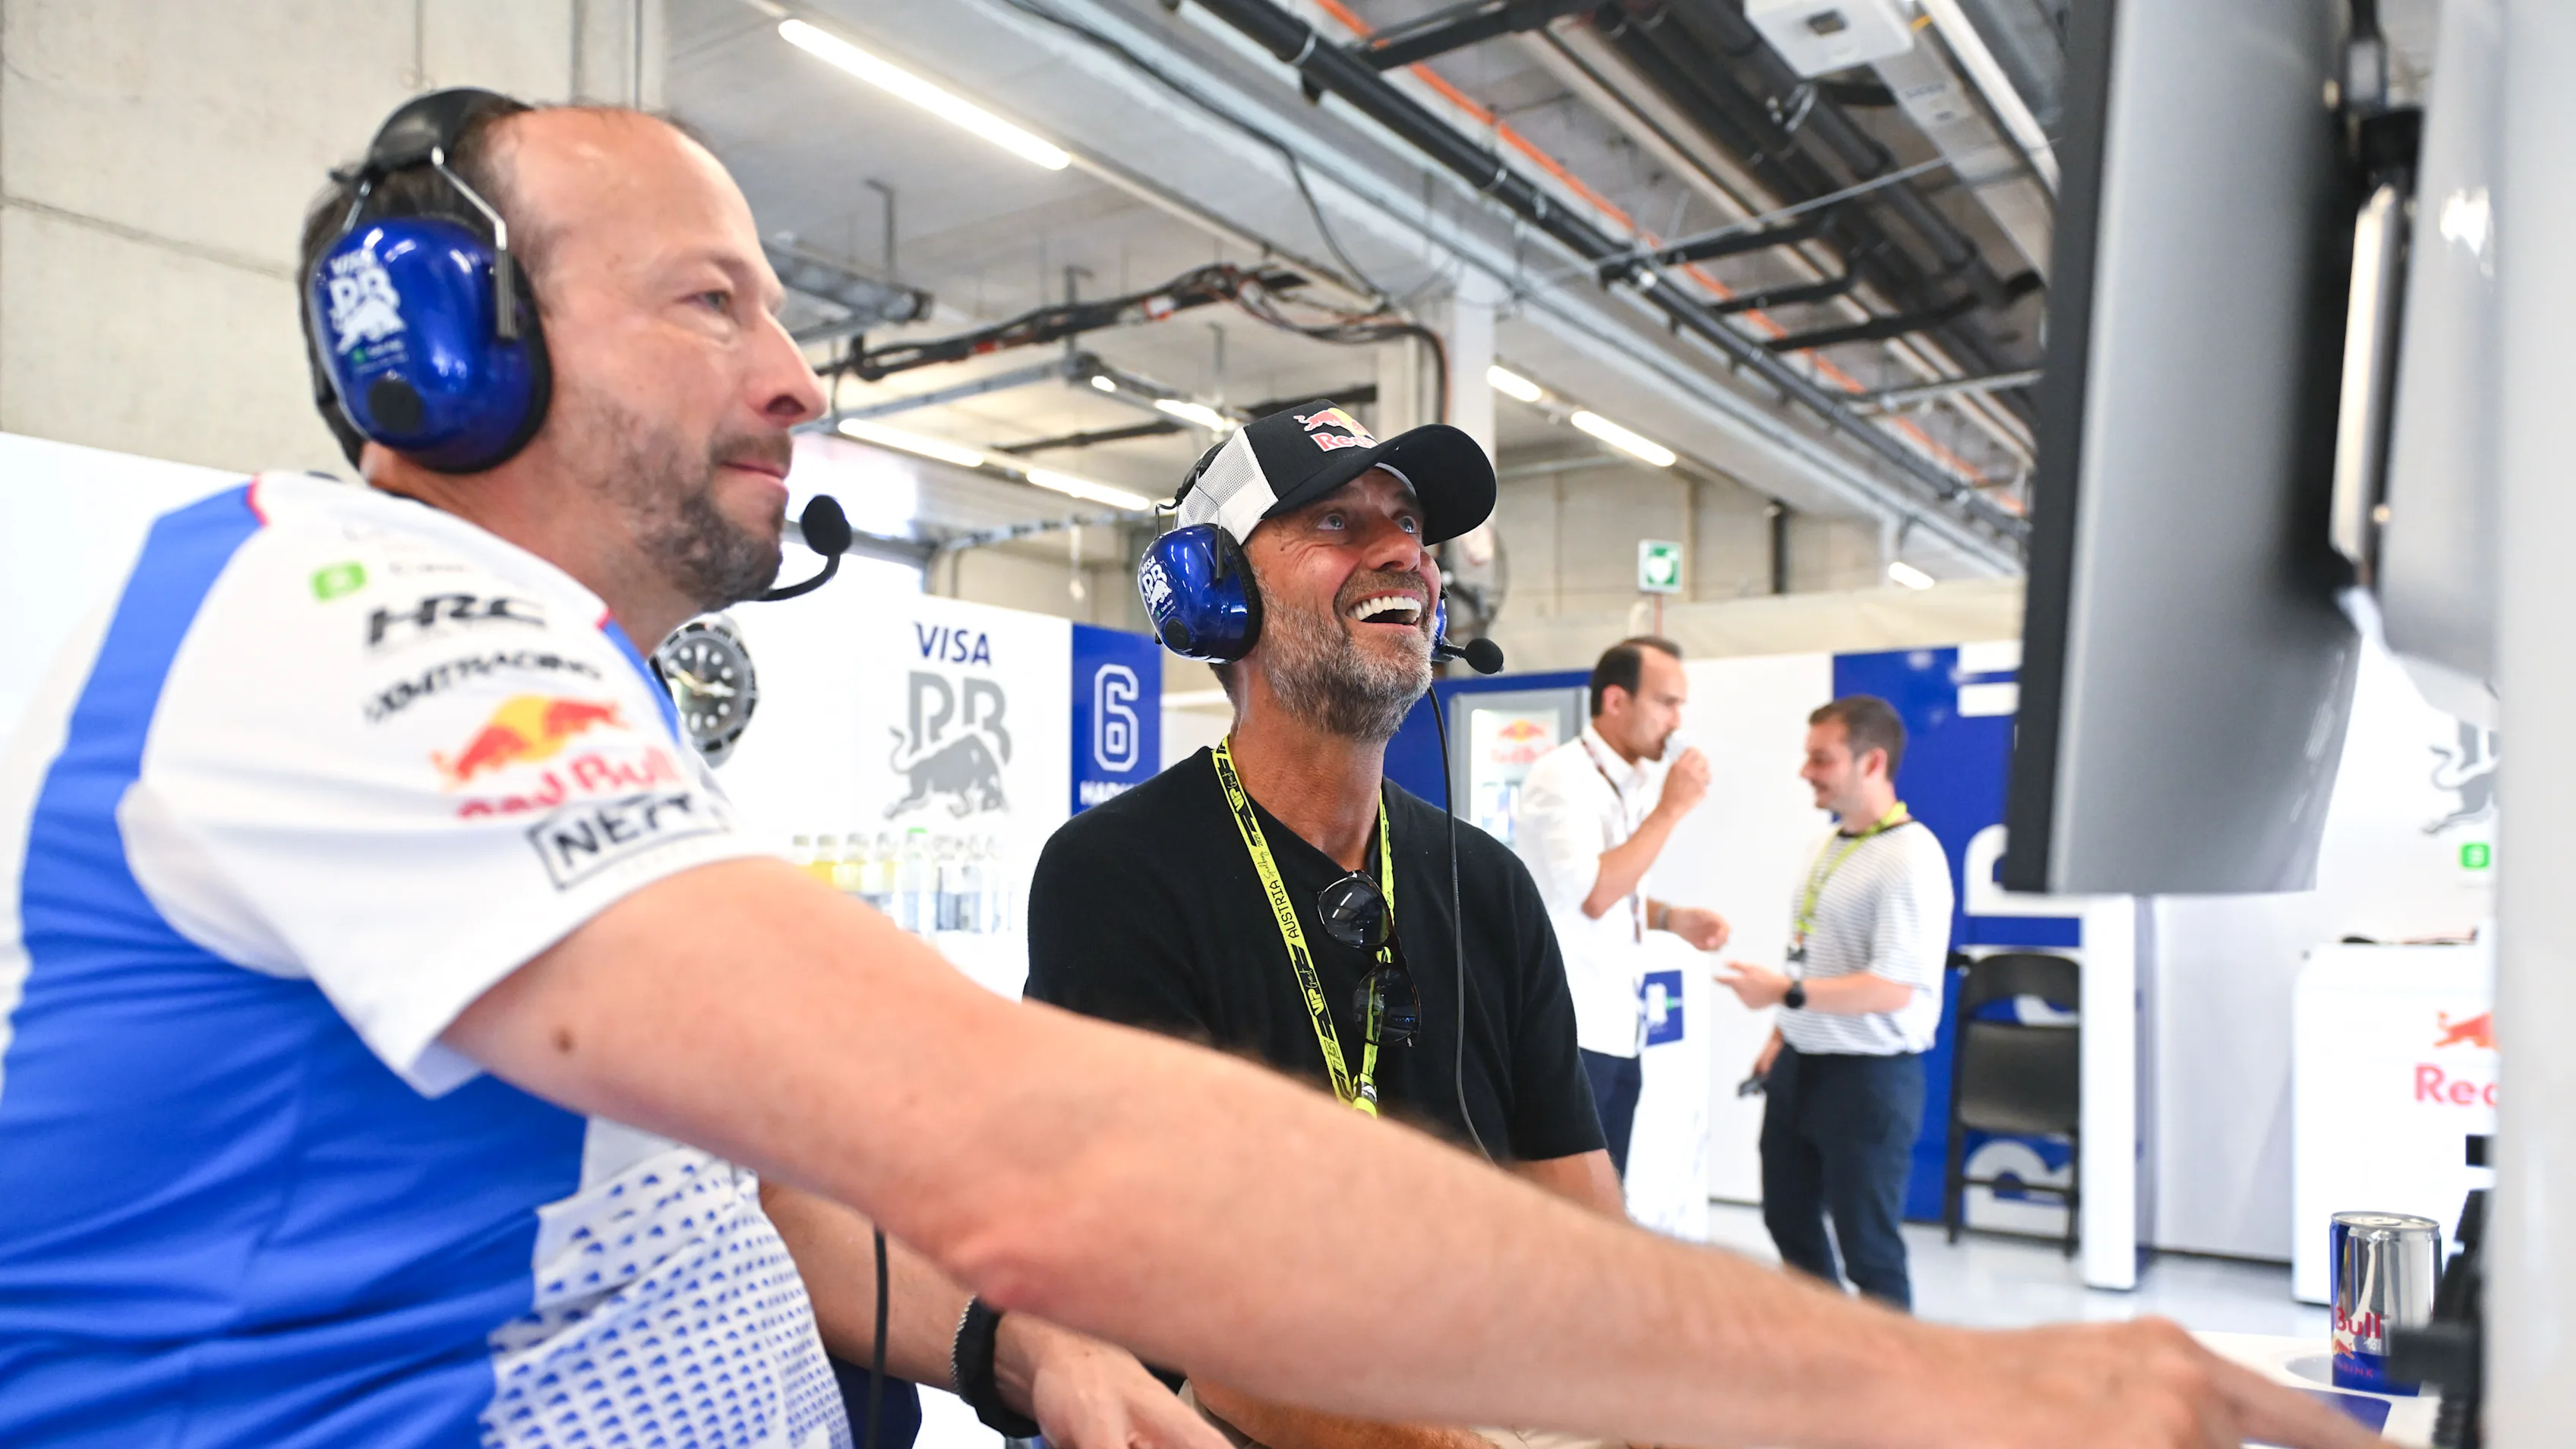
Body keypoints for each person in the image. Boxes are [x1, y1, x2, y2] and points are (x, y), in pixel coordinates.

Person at [0, 87, 2379, 1449]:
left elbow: (743, 1193)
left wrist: (1005, 1334)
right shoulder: (352, 626)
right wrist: (1938, 1396)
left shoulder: (566, 695)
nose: (799, 374)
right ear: (434, 343)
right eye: (710, 298)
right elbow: (1052, 1155)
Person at [1024, 403, 1624, 1449]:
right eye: (1337, 523)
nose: (1404, 554)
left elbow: (1585, 1228)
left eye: (1411, 526)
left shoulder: (1487, 886)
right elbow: (1188, 1314)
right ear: (1215, 595)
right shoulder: (1116, 876)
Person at [1718, 696, 1954, 1312]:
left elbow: (1893, 988)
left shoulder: (1911, 857)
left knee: (1869, 1248)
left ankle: (1891, 1366)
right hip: (1801, 1065)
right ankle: (1825, 1345)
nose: (1806, 772)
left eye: (1822, 759)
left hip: (1869, 1079)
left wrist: (1785, 993)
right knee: (1788, 1220)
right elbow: (1809, 957)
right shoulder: (1825, 846)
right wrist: (1780, 1034)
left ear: (1871, 762)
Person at [1511, 637, 1729, 1178]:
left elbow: (1616, 891)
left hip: (1620, 1025)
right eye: (1667, 703)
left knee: (1609, 1197)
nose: (1677, 721)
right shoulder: (1564, 776)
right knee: (1570, 1204)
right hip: (1572, 1030)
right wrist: (1670, 811)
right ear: (1615, 701)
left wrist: (1670, 918)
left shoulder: (1630, 782)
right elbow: (1594, 892)